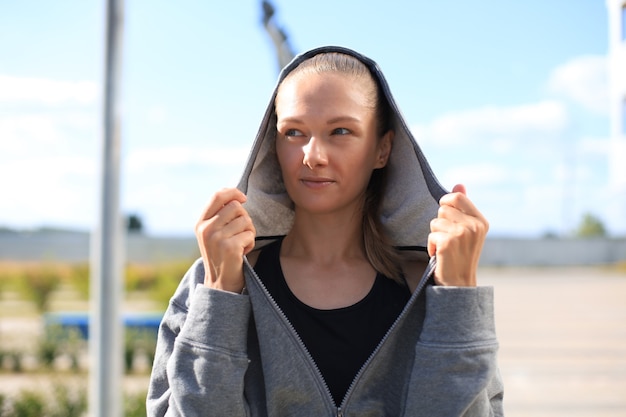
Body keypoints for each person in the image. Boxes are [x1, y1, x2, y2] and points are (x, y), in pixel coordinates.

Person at [147, 46, 503, 417]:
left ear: (382, 149)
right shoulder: (217, 279)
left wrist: (458, 298)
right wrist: (220, 297)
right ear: (273, 143)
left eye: (341, 131)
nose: (313, 155)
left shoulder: (431, 289)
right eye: (294, 132)